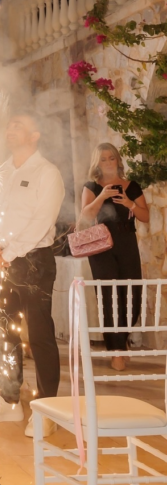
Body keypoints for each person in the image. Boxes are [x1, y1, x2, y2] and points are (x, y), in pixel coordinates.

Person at [0, 112, 65, 439]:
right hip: (4, 259)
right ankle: (9, 401)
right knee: (5, 330)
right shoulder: (2, 171)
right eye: (9, 125)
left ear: (35, 135)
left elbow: (41, 221)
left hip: (34, 261)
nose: (10, 129)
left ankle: (47, 411)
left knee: (40, 334)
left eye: (18, 125)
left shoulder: (47, 173)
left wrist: (9, 253)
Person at [80, 143, 148, 371]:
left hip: (127, 243)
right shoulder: (91, 186)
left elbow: (145, 216)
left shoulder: (132, 186)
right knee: (109, 297)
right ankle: (116, 350)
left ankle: (122, 340)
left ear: (118, 160)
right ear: (97, 163)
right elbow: (85, 216)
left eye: (111, 158)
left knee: (132, 295)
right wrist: (102, 196)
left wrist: (129, 203)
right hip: (101, 247)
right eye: (103, 159)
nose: (108, 162)